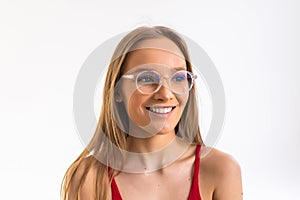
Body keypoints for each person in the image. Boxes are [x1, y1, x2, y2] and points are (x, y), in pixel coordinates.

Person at [61, 26, 243, 200]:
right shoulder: (88, 178)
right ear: (117, 91)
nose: (165, 94)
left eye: (178, 77)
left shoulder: (221, 170)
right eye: (147, 78)